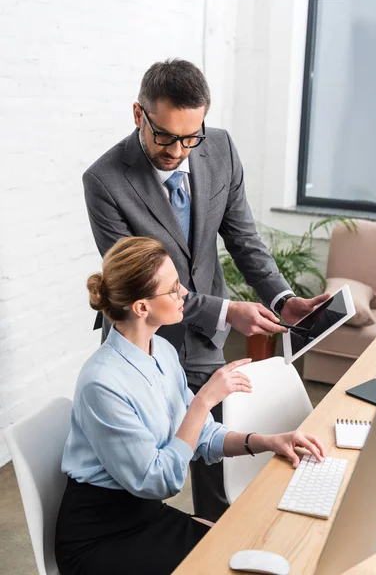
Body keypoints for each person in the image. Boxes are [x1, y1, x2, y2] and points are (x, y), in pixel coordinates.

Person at [83, 58, 329, 521]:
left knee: (216, 470)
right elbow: (138, 281)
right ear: (139, 114)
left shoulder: (219, 149)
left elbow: (242, 238)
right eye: (166, 136)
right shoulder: (104, 181)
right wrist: (227, 311)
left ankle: (216, 539)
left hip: (205, 339)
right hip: (149, 337)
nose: (179, 150)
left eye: (191, 136)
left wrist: (282, 297)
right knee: (146, 480)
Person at [55, 237, 326, 575]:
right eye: (172, 290)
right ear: (141, 307)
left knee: (250, 556)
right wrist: (204, 400)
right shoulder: (102, 383)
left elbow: (203, 435)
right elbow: (160, 481)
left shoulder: (163, 352)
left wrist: (268, 441)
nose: (183, 294)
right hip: (101, 538)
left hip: (147, 516)